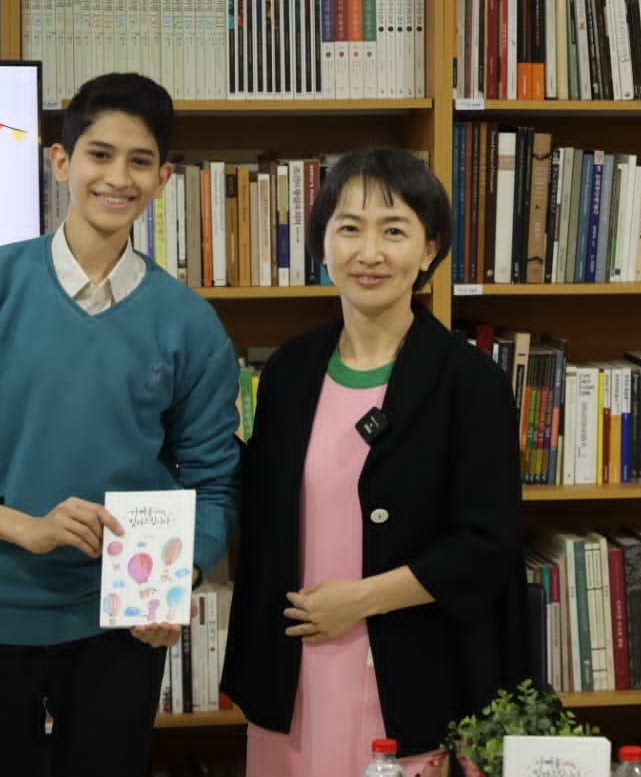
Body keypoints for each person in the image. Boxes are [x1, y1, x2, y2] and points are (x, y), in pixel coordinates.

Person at [0, 72, 242, 777]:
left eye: (140, 161)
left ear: (164, 179)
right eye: (100, 154)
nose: (118, 178)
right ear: (61, 162)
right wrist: (22, 526)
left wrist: (180, 576)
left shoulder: (189, 324)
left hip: (122, 623)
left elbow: (216, 484)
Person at [222, 145, 528, 777]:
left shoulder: (470, 382)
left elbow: (486, 543)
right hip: (292, 672)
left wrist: (360, 601)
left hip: (417, 672)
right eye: (349, 229)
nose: (369, 253)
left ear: (429, 249)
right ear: (321, 245)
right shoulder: (288, 372)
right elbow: (262, 513)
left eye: (394, 231)